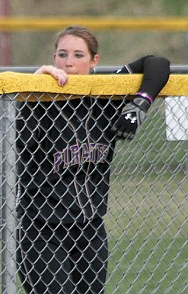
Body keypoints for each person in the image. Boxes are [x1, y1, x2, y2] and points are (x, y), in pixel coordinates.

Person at [15, 25, 171, 293]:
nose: (69, 63)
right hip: (41, 230)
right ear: (53, 59)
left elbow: (157, 63)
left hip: (90, 230)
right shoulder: (39, 97)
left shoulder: (104, 95)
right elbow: (20, 140)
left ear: (94, 61)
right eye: (62, 55)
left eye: (78, 55)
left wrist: (139, 105)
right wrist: (32, 88)